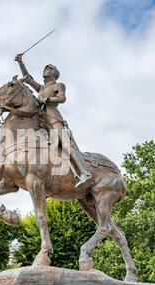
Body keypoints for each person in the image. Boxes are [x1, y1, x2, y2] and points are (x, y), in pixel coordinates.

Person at [14, 53, 92, 187]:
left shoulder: (58, 85)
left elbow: (62, 99)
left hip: (54, 120)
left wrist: (46, 100)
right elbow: (27, 79)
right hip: (41, 122)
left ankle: (84, 172)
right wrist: (20, 62)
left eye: (49, 69)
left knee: (67, 146)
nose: (45, 70)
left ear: (54, 73)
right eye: (45, 69)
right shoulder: (42, 88)